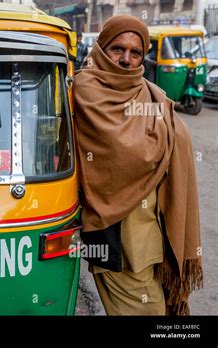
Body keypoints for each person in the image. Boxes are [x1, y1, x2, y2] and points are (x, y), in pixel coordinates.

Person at [73, 15, 203, 315]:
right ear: (101, 49)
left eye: (135, 53)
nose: (126, 60)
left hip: (155, 233)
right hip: (119, 239)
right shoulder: (82, 90)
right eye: (118, 49)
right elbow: (130, 156)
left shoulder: (150, 94)